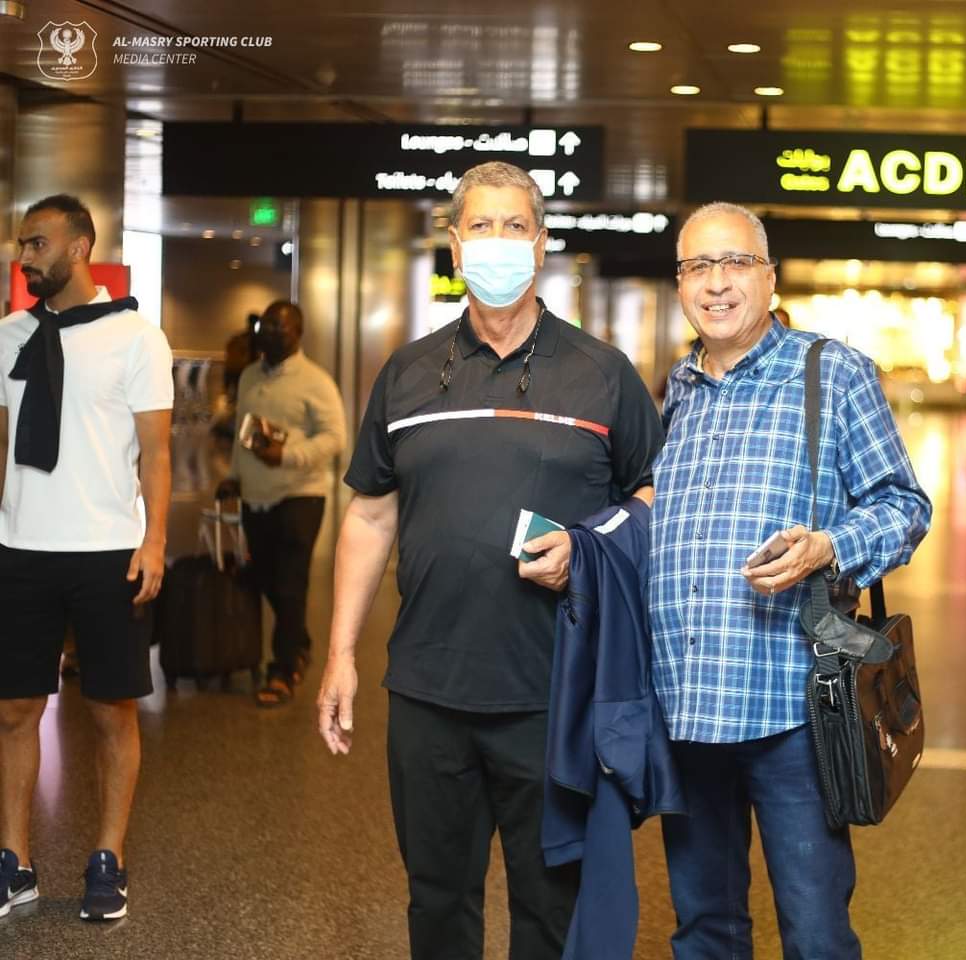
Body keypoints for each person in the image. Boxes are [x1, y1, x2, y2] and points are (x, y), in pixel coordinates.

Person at [315, 161, 663, 960]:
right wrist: (339, 654)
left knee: (549, 907)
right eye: (481, 225)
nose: (497, 241)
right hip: (427, 689)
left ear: (541, 244)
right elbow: (369, 512)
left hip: (554, 692)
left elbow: (654, 493)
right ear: (454, 244)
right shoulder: (407, 372)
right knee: (437, 900)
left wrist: (589, 549)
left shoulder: (601, 373)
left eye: (515, 226)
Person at [649, 202, 932, 959]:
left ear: (770, 278)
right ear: (680, 284)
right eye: (697, 266)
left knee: (814, 932)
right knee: (703, 929)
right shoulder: (678, 388)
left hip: (793, 711)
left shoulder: (829, 372)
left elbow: (905, 506)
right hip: (688, 706)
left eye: (735, 263)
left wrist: (829, 546)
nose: (716, 283)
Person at [0, 194, 173, 922]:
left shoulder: (136, 337)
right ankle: (14, 862)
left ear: (79, 248)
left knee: (111, 712)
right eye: (21, 245)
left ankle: (109, 858)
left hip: (108, 551)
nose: (24, 258)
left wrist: (155, 540)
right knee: (14, 709)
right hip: (21, 548)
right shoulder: (10, 335)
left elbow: (156, 452)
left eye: (36, 244)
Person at [216, 301, 346, 707]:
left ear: (298, 334)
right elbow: (243, 432)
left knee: (291, 583)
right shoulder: (250, 375)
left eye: (279, 327)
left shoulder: (316, 381)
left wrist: (287, 456)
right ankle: (299, 643)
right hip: (256, 496)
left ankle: (283, 670)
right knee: (263, 578)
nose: (270, 333)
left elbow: (335, 438)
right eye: (267, 326)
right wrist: (234, 476)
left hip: (300, 495)